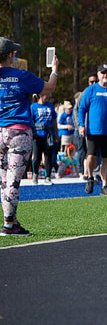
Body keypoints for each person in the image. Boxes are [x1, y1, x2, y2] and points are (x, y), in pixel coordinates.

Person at [0, 38, 58, 235]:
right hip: (18, 131)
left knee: (4, 180)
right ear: (10, 55)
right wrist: (55, 70)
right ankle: (9, 224)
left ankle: (12, 221)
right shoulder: (21, 76)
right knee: (13, 180)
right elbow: (49, 87)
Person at [78, 64, 107, 196]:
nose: (105, 75)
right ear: (98, 74)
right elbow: (82, 109)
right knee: (91, 155)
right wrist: (81, 125)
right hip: (93, 130)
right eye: (103, 73)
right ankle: (90, 177)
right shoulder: (91, 90)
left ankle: (104, 185)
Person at [30, 93, 57, 185]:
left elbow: (54, 120)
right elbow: (31, 120)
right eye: (46, 95)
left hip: (48, 134)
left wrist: (56, 134)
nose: (48, 96)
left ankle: (48, 176)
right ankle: (35, 174)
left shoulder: (50, 106)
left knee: (48, 155)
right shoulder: (33, 107)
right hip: (37, 134)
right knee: (37, 156)